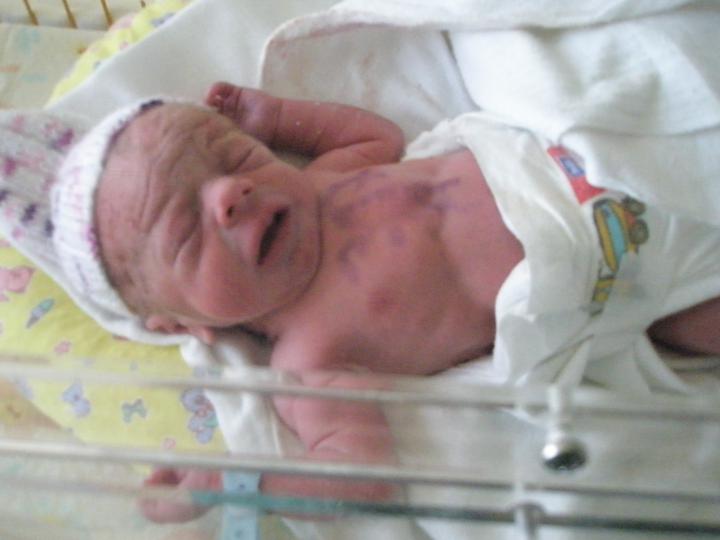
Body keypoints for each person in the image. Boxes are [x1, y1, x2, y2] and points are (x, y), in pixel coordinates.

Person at [57, 81, 717, 522]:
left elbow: (374, 135)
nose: (229, 193)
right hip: (612, 274)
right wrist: (236, 483)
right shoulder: (308, 362)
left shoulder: (327, 180)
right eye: (185, 231)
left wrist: (277, 118)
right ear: (180, 324)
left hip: (578, 166)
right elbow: (359, 476)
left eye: (234, 155)